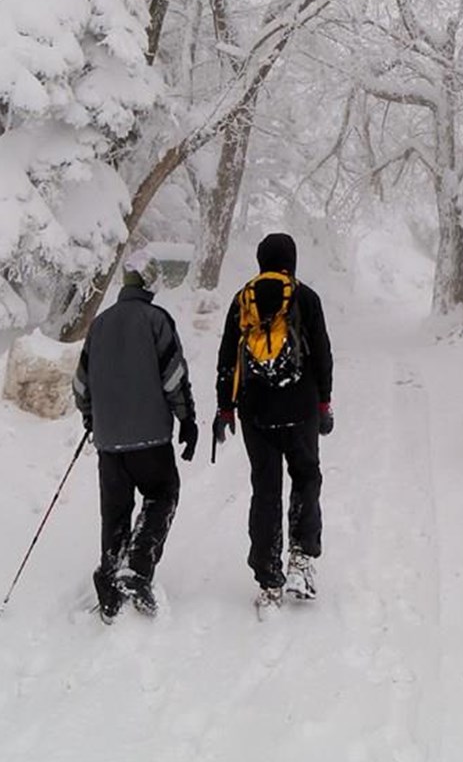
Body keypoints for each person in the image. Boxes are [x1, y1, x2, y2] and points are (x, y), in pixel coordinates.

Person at [213, 232, 333, 611]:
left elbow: (226, 358)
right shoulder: (305, 297)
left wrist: (225, 408)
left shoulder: (243, 300)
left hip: (256, 413)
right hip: (300, 410)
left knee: (265, 490)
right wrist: (324, 403)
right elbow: (322, 354)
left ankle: (268, 580)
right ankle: (301, 559)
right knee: (306, 478)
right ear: (291, 261)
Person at [73, 256, 197, 620]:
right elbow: (173, 376)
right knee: (162, 493)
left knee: (115, 510)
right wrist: (187, 419)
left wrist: (91, 416)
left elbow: (80, 384)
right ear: (149, 285)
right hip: (150, 438)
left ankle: (110, 577)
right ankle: (137, 568)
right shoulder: (156, 320)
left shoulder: (99, 324)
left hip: (108, 441)